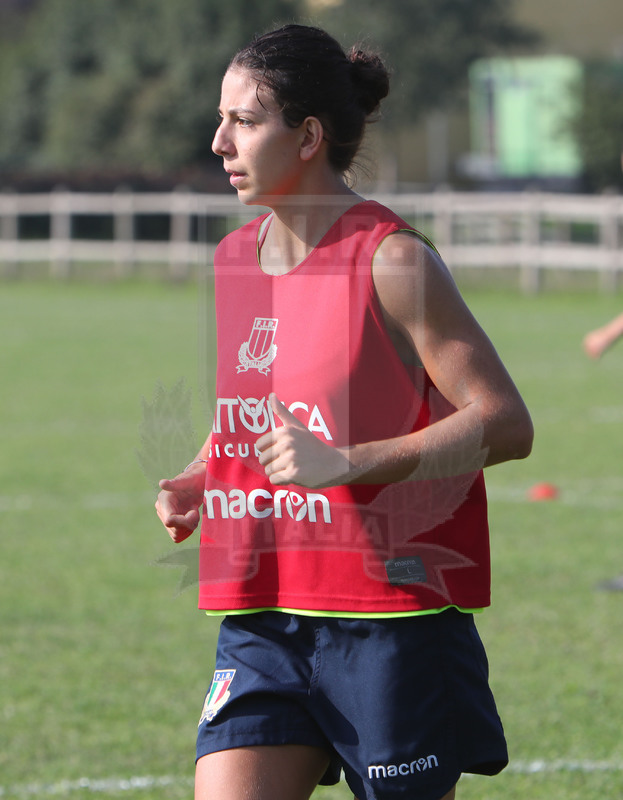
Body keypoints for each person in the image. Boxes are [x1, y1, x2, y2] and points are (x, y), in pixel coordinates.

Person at [155, 24, 533, 800]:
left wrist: (349, 463)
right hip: (262, 614)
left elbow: (503, 422)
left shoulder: (393, 260)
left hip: (388, 623)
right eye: (221, 119)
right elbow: (249, 413)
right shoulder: (236, 259)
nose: (219, 140)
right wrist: (200, 474)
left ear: (308, 136)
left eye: (245, 121)